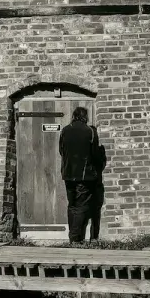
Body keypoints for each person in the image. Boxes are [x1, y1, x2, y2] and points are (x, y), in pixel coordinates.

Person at [59, 105, 107, 244]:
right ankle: (75, 238)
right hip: (85, 175)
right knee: (81, 206)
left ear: (74, 116)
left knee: (72, 205)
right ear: (85, 117)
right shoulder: (90, 131)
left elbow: (61, 151)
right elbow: (95, 154)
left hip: (68, 174)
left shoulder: (65, 130)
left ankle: (73, 236)